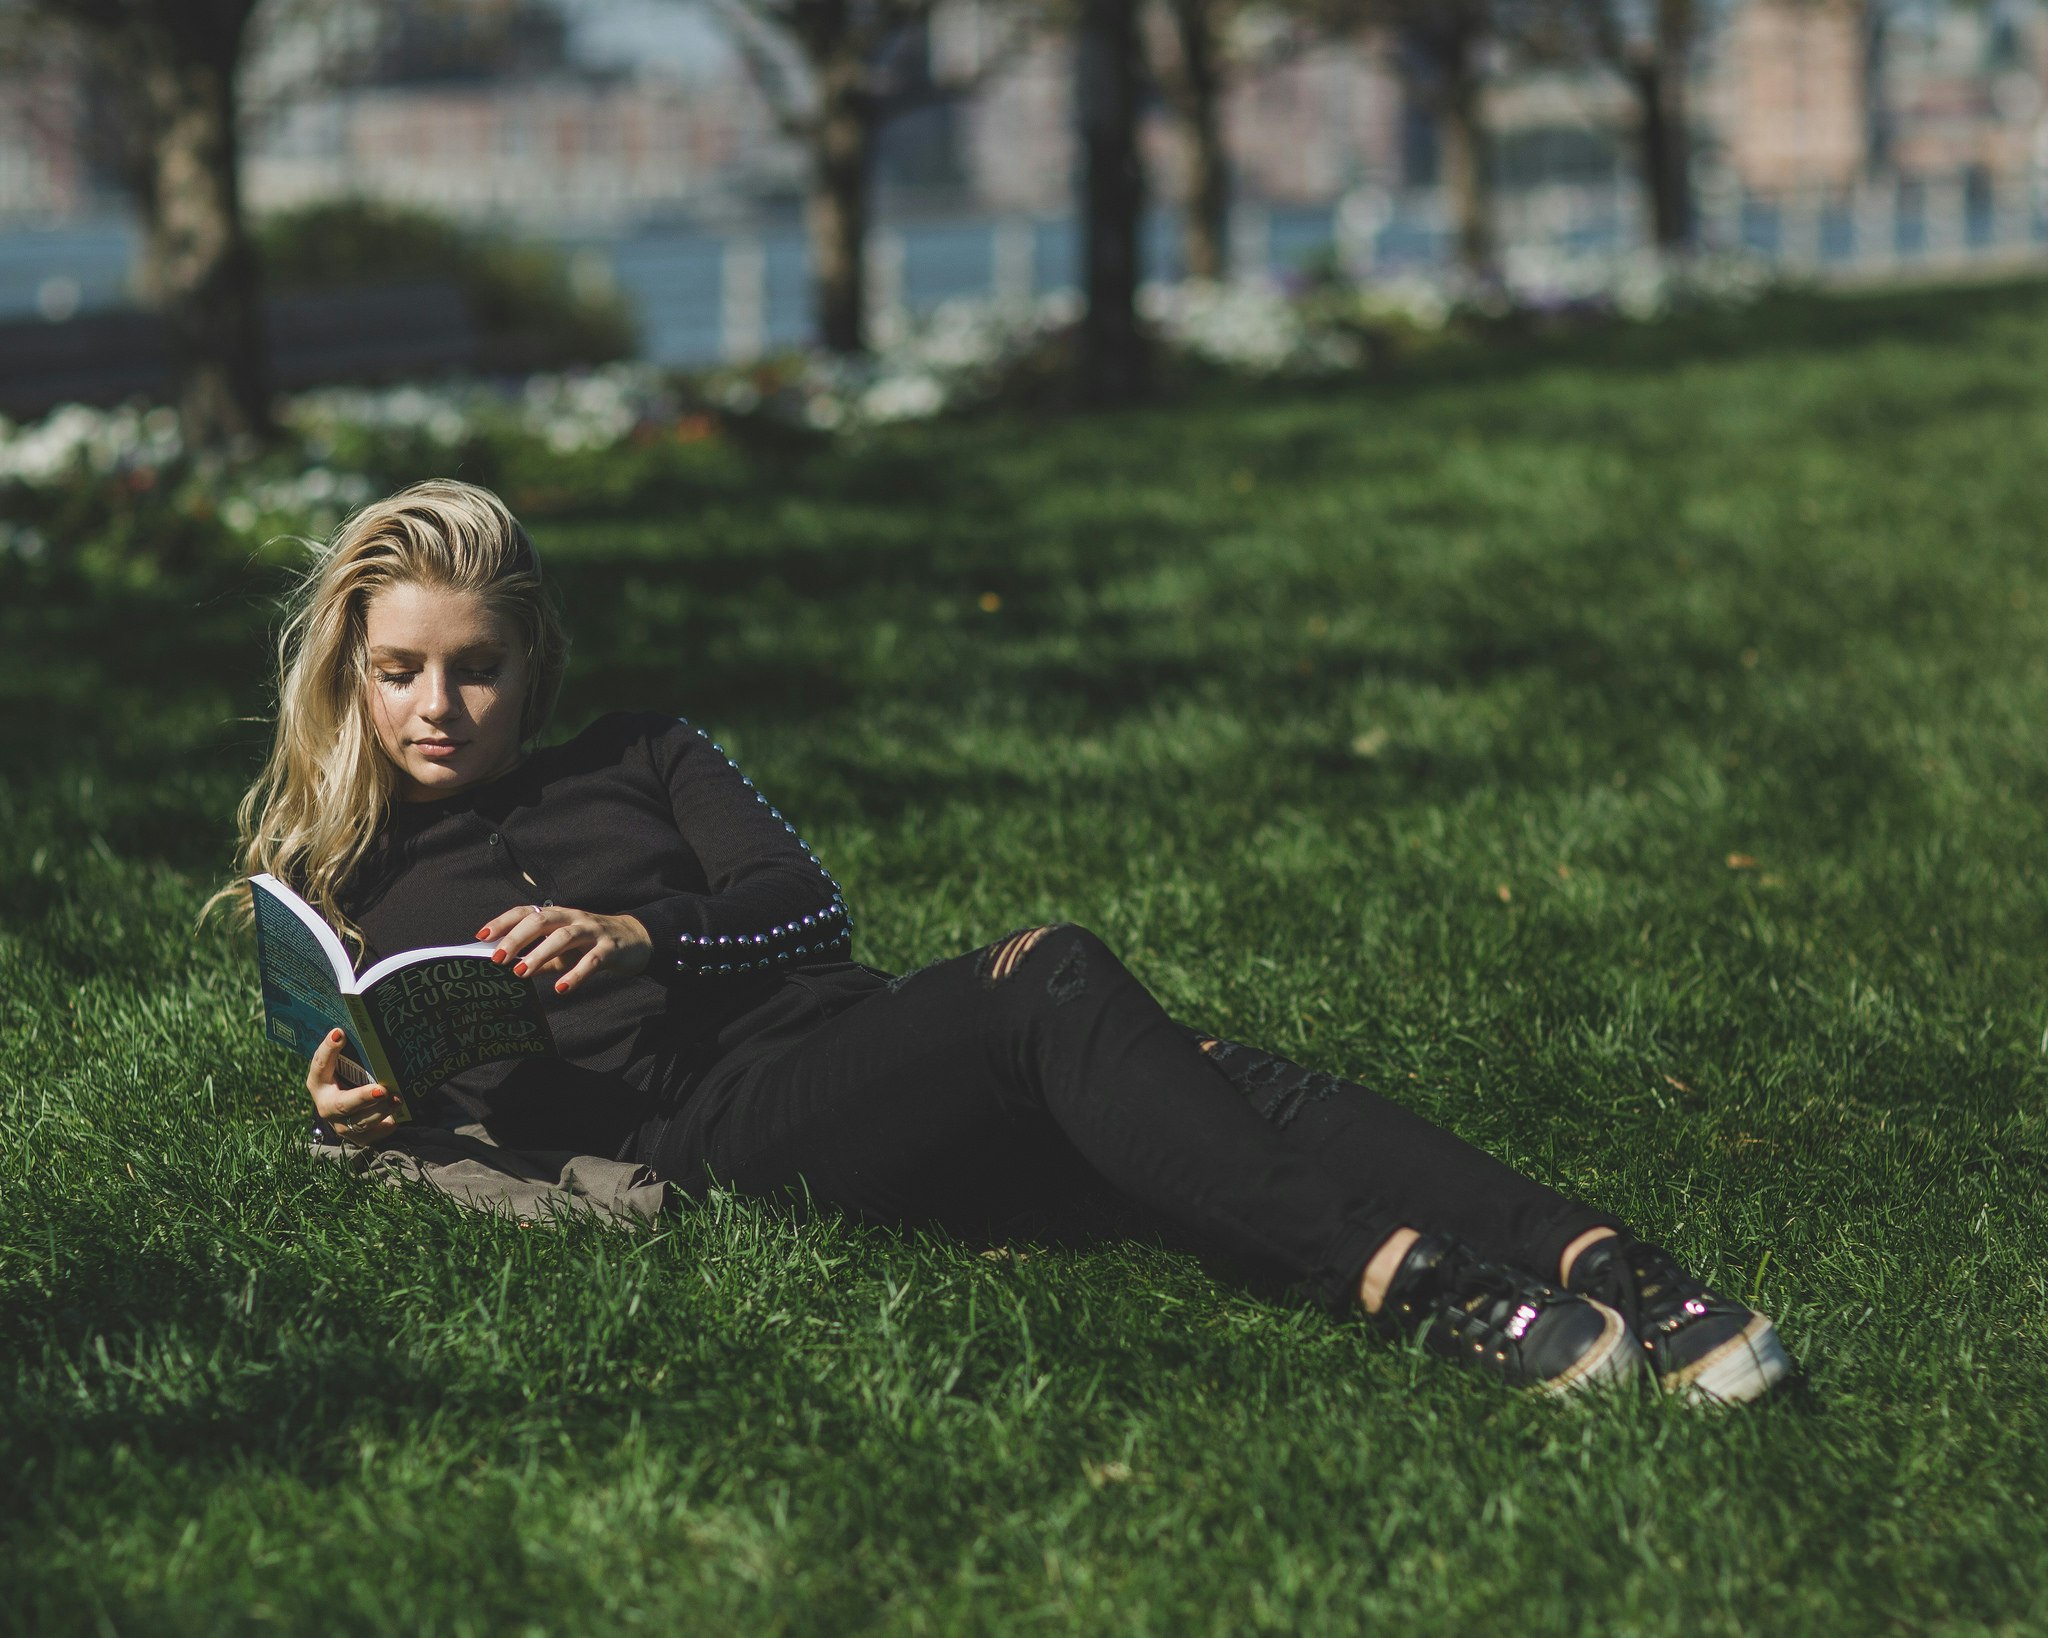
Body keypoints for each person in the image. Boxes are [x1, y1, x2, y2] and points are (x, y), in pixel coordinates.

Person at [213, 478, 1792, 1405]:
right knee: (1051, 974)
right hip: (711, 1136)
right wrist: (369, 1109)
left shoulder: (648, 748)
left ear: (531, 662)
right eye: (403, 670)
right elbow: (381, 1066)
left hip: (844, 1040)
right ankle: (1415, 1285)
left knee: (1216, 1076)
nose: (438, 708)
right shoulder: (346, 873)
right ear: (354, 674)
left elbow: (808, 909)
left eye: (473, 668)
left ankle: (1612, 1268)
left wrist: (641, 931)